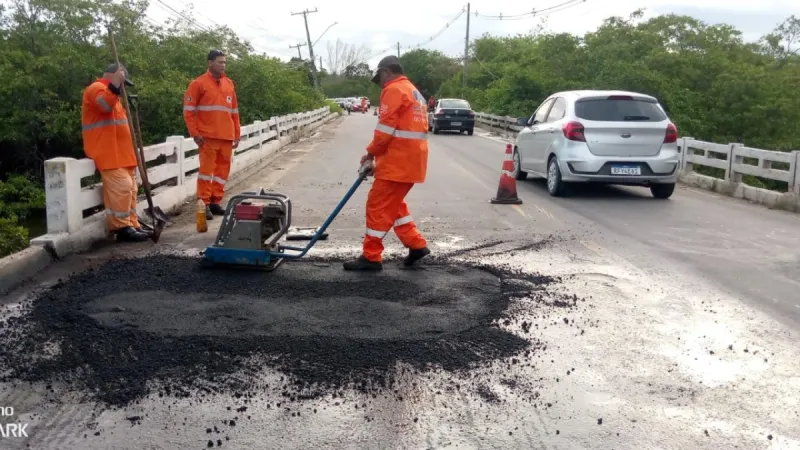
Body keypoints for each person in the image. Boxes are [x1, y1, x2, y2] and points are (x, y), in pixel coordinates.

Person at [343, 55, 431, 271]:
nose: (380, 84)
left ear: (386, 72)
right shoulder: (413, 91)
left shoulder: (393, 90)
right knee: (394, 205)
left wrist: (370, 154)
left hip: (397, 163)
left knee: (377, 205)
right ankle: (416, 244)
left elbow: (385, 131)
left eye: (380, 78)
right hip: (411, 161)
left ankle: (371, 257)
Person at [81, 63, 150, 242]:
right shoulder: (96, 88)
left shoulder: (115, 95)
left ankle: (132, 223)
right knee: (122, 188)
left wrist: (116, 87)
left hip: (123, 153)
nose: (124, 86)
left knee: (131, 189)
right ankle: (121, 227)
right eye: (123, 81)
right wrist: (115, 85)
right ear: (114, 76)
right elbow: (104, 106)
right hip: (108, 152)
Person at [183, 49, 241, 220]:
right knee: (206, 172)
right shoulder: (198, 84)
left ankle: (215, 202)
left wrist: (237, 134)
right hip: (207, 137)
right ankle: (204, 204)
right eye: (220, 62)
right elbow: (188, 111)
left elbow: (234, 112)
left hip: (226, 137)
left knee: (222, 173)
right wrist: (195, 133)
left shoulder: (229, 84)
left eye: (224, 62)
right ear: (210, 63)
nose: (223, 65)